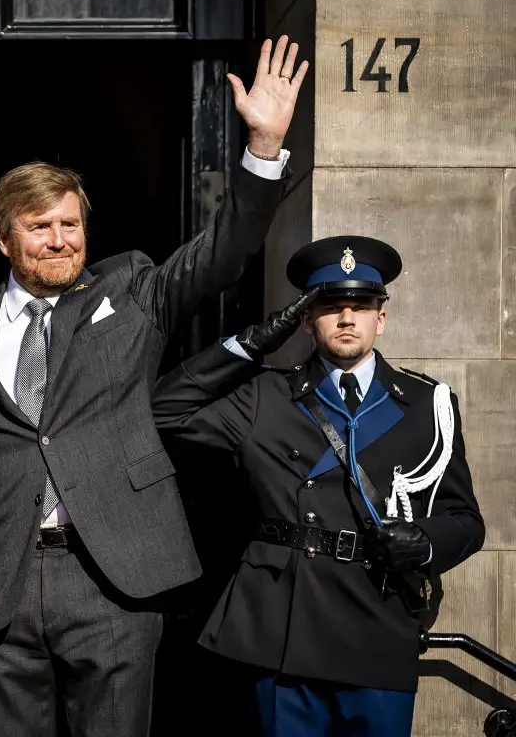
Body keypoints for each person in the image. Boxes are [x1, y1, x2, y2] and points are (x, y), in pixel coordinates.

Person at [0, 35, 309, 737]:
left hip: (113, 579)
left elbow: (224, 251)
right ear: (3, 240)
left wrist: (263, 147)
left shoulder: (131, 289)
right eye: (39, 227)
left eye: (71, 225)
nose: (61, 239)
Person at [151, 235, 485, 737]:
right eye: (330, 306)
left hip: (378, 622)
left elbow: (467, 521)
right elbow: (163, 409)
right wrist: (253, 342)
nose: (347, 318)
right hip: (286, 632)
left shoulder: (428, 404)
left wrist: (425, 543)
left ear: (382, 318)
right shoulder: (265, 395)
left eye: (361, 306)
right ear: (306, 318)